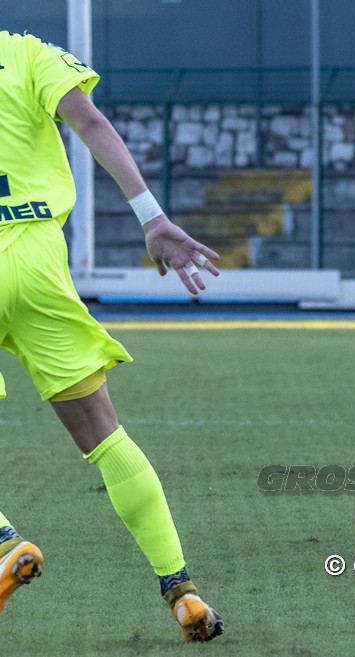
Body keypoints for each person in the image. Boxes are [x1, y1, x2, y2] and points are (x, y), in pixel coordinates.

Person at [0, 31, 223, 640]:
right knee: (104, 435)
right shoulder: (26, 53)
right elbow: (91, 123)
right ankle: (181, 590)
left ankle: (5, 543)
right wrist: (154, 218)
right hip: (36, 257)